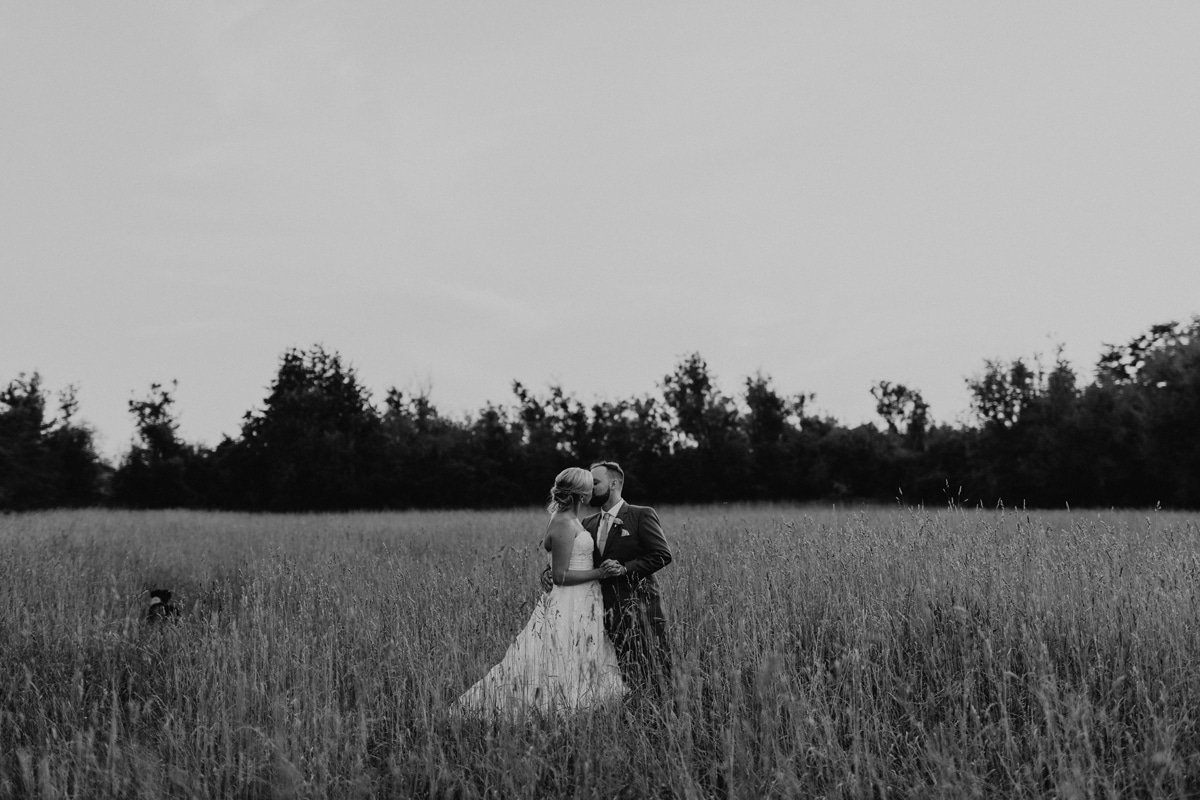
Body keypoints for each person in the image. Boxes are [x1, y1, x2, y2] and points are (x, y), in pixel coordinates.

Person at [452, 467, 626, 717]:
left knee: (576, 653)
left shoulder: (571, 518)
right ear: (582, 494)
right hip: (569, 600)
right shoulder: (565, 523)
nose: (593, 491)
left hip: (583, 599)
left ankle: (578, 705)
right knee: (560, 653)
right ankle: (553, 707)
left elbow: (560, 560)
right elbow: (560, 576)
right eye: (590, 487)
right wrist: (601, 573)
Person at [545, 461, 673, 697]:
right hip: (600, 612)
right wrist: (549, 574)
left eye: (595, 483)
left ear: (613, 484)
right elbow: (575, 561)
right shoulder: (586, 523)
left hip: (641, 609)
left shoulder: (640, 514)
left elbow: (662, 554)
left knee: (657, 671)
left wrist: (625, 569)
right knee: (619, 673)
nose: (590, 489)